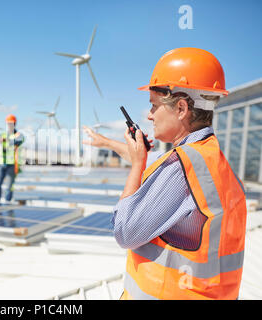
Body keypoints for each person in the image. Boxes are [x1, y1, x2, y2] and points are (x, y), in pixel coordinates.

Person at [84, 47, 247, 300]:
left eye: (153, 106)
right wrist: (107, 143)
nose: (149, 115)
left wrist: (137, 167)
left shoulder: (181, 168)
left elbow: (125, 232)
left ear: (181, 108)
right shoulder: (211, 158)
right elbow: (153, 160)